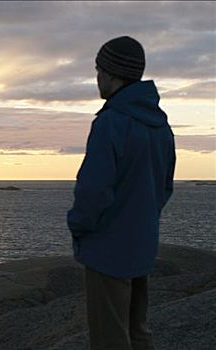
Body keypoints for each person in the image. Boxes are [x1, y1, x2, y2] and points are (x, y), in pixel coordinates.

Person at [67, 36, 176, 350]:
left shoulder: (111, 123)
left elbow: (93, 191)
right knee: (138, 330)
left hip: (107, 249)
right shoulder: (161, 126)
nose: (97, 78)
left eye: (99, 70)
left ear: (112, 75)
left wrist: (79, 225)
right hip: (142, 244)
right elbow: (164, 186)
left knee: (109, 338)